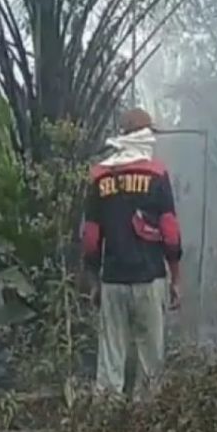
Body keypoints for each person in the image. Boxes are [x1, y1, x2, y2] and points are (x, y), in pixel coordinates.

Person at [81, 108, 183, 399]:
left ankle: (106, 426)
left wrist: (93, 281)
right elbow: (171, 233)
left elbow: (90, 237)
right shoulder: (156, 174)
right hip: (150, 280)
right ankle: (146, 427)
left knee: (110, 361)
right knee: (150, 365)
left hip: (113, 281)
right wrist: (176, 278)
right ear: (145, 136)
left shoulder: (100, 177)